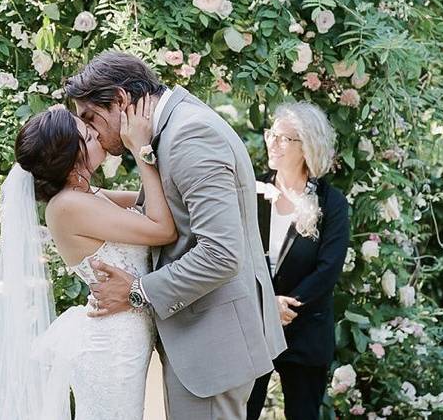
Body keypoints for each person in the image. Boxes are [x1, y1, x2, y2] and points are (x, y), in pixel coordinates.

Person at [68, 51, 286, 420]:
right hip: (198, 337)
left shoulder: (189, 135)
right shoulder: (172, 128)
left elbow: (221, 253)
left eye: (92, 118)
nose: (95, 136)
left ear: (120, 100)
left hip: (212, 343)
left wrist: (137, 291)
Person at [0, 98, 176, 420]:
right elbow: (162, 228)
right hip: (111, 347)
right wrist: (141, 150)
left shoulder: (89, 196)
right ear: (72, 163)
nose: (98, 136)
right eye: (88, 136)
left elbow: (152, 203)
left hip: (128, 333)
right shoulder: (67, 206)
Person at [247, 102, 351, 420]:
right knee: (241, 412)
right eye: (271, 134)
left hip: (305, 330)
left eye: (283, 138)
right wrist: (267, 303)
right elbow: (237, 255)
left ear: (306, 147)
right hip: (254, 326)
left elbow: (328, 268)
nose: (272, 143)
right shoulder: (251, 190)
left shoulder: (331, 203)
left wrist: (286, 305)